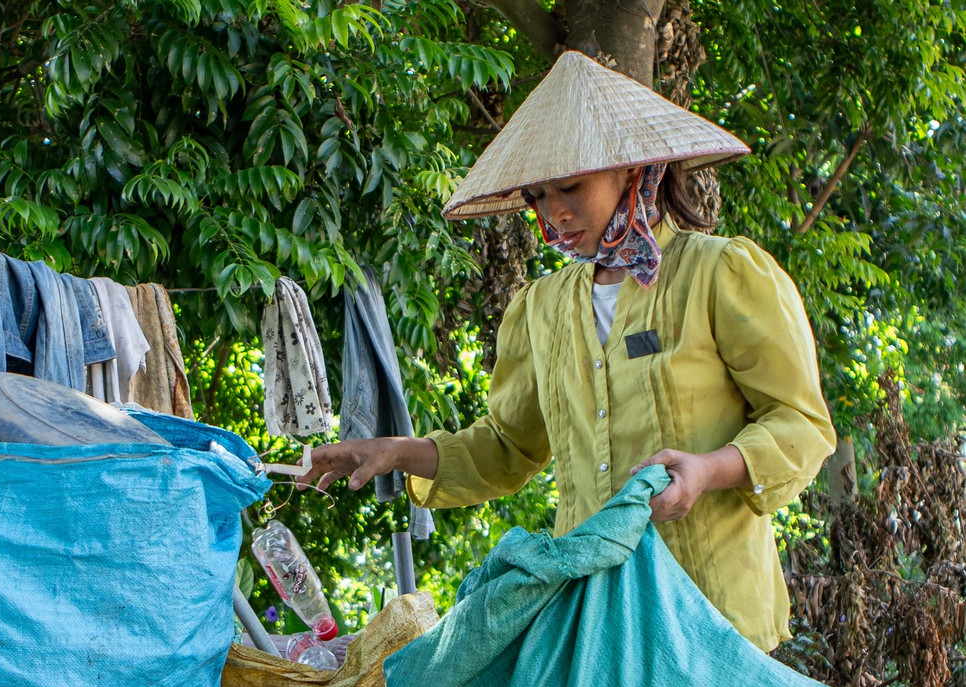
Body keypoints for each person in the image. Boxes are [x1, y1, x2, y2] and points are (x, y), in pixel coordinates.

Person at [299, 51, 837, 653]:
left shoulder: (720, 274)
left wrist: (709, 470)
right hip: (595, 626)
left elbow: (801, 423)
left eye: (571, 186)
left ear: (631, 168)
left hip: (713, 621)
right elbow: (506, 448)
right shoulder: (542, 308)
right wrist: (396, 450)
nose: (554, 212)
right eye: (536, 195)